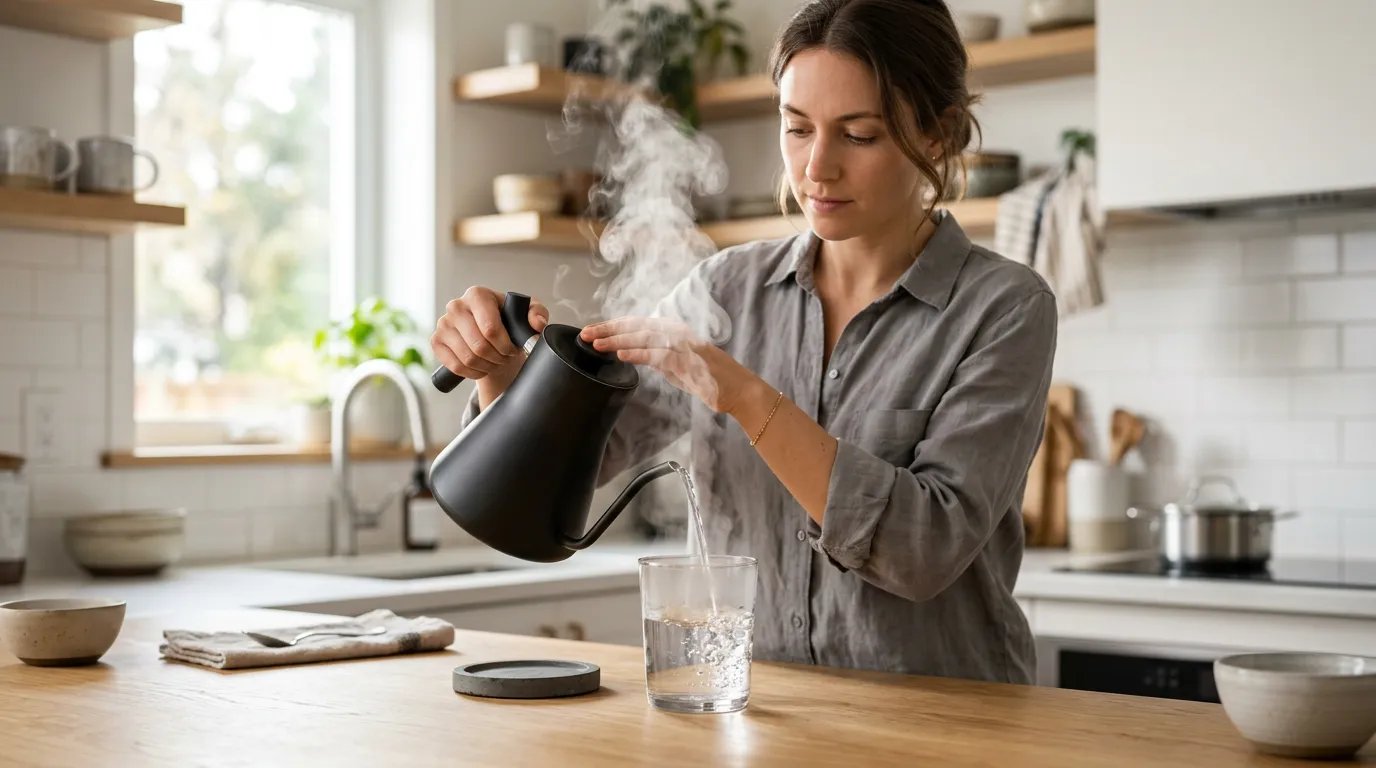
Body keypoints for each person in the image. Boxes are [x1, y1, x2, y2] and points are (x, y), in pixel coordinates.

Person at [431, 0, 1056, 685]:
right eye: (796, 128)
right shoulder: (725, 289)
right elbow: (559, 476)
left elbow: (924, 551)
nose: (816, 168)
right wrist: (500, 374)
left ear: (936, 136)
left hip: (952, 727)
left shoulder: (1004, 309)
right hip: (757, 718)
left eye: (861, 134)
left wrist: (748, 398)